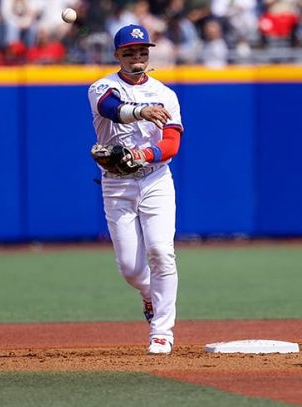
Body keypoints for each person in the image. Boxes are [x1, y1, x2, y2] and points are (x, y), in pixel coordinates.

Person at [86, 24, 184, 355]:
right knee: (130, 268)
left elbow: (171, 144)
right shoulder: (102, 86)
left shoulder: (166, 94)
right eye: (129, 52)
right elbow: (110, 109)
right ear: (117, 55)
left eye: (142, 50)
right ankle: (147, 293)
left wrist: (141, 154)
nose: (137, 57)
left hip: (156, 179)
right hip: (117, 184)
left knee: (160, 251)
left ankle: (161, 332)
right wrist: (142, 112)